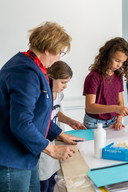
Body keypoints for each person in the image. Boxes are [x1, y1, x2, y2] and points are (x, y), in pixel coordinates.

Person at [0, 22, 83, 191]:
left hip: (27, 155)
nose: (60, 57)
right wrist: (51, 149)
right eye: (60, 52)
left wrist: (59, 134)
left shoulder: (36, 68)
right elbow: (21, 123)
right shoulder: (25, 71)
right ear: (48, 48)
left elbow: (39, 114)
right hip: (13, 158)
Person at [39, 61, 86, 192]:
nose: (65, 86)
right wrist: (62, 134)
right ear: (50, 77)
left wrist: (69, 121)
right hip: (42, 144)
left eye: (67, 83)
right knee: (42, 182)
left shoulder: (59, 94)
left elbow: (55, 112)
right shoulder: (42, 95)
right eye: (63, 82)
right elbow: (43, 120)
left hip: (53, 143)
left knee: (52, 181)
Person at [83, 37, 128, 129]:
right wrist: (115, 108)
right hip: (94, 123)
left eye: (122, 62)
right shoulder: (93, 77)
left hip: (112, 121)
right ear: (107, 56)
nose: (119, 65)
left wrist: (119, 119)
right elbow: (90, 107)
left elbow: (120, 102)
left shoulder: (118, 77)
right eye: (117, 60)